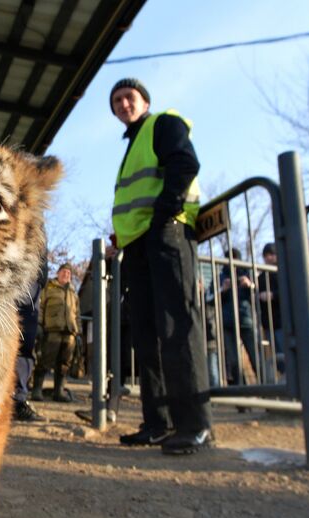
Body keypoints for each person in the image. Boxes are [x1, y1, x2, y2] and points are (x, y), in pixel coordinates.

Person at [109, 78, 212, 454]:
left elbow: (185, 164)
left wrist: (164, 213)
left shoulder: (163, 124)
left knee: (177, 327)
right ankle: (158, 422)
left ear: (144, 101)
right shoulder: (133, 142)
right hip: (138, 247)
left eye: (129, 97)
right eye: (116, 100)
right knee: (147, 336)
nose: (123, 104)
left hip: (166, 235)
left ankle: (195, 424)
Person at [31, 263, 80, 403]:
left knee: (64, 364)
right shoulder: (49, 288)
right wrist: (39, 324)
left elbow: (77, 314)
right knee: (45, 360)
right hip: (52, 330)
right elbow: (40, 307)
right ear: (58, 274)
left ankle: (59, 392)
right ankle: (37, 390)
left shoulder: (73, 292)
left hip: (70, 333)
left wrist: (79, 333)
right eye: (64, 272)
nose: (66, 275)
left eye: (69, 273)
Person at [12, 255, 48, 421]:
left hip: (32, 278)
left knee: (25, 342)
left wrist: (41, 276)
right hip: (3, 266)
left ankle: (18, 400)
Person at [220, 247, 259, 385]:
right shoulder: (221, 276)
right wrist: (222, 290)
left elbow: (259, 294)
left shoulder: (247, 273)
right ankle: (241, 396)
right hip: (228, 323)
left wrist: (250, 286)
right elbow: (211, 298)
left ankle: (267, 390)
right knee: (233, 360)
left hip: (245, 320)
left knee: (256, 357)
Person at [258, 241, 284, 378]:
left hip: (284, 321)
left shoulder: (284, 271)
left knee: (286, 354)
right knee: (277, 355)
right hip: (269, 323)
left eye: (271, 254)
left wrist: (273, 295)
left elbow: (290, 292)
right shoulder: (262, 277)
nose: (268, 258)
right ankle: (286, 379)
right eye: (266, 255)